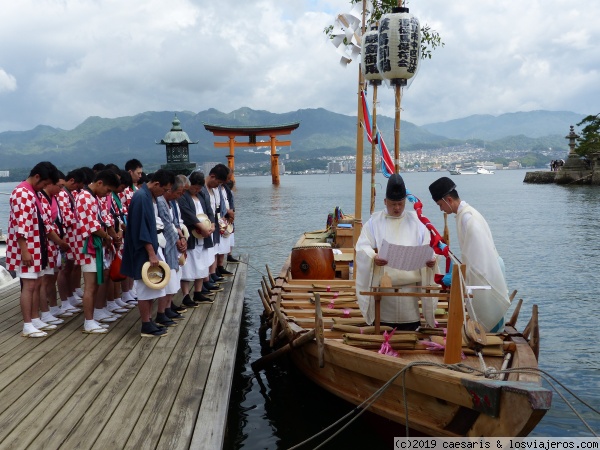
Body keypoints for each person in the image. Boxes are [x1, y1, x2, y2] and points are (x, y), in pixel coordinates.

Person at [355, 174, 437, 331]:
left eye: (400, 203)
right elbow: (362, 247)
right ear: (385, 202)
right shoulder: (374, 222)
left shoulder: (417, 222)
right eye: (393, 204)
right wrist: (373, 257)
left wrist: (431, 259)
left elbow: (429, 246)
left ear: (405, 201)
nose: (397, 208)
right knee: (385, 329)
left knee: (410, 329)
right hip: (385, 291)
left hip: (410, 291)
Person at [428, 176, 510, 332]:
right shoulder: (466, 213)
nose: (441, 209)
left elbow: (478, 255)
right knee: (487, 310)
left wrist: (460, 277)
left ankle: (491, 340)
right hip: (488, 263)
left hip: (486, 267)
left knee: (488, 309)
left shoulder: (467, 218)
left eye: (440, 205)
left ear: (448, 200)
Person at [6, 161, 60, 337]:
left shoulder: (33, 193)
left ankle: (35, 318)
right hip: (28, 246)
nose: (44, 187)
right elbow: (21, 224)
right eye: (44, 183)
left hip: (37, 245)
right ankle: (27, 324)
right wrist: (24, 250)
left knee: (36, 284)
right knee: (29, 285)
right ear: (37, 177)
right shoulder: (22, 193)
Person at [120, 169, 175, 337]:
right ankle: (145, 323)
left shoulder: (146, 195)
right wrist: (151, 253)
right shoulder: (142, 197)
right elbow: (141, 229)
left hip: (149, 247)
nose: (164, 194)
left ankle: (149, 320)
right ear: (157, 184)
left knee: (152, 286)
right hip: (142, 250)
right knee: (145, 287)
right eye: (164, 190)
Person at [74, 169, 120, 334]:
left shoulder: (93, 196)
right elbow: (92, 226)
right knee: (90, 286)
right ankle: (88, 321)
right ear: (99, 183)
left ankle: (93, 317)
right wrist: (108, 237)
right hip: (89, 247)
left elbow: (102, 219)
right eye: (107, 190)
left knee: (94, 284)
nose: (106, 194)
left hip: (95, 245)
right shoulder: (85, 197)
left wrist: (110, 236)